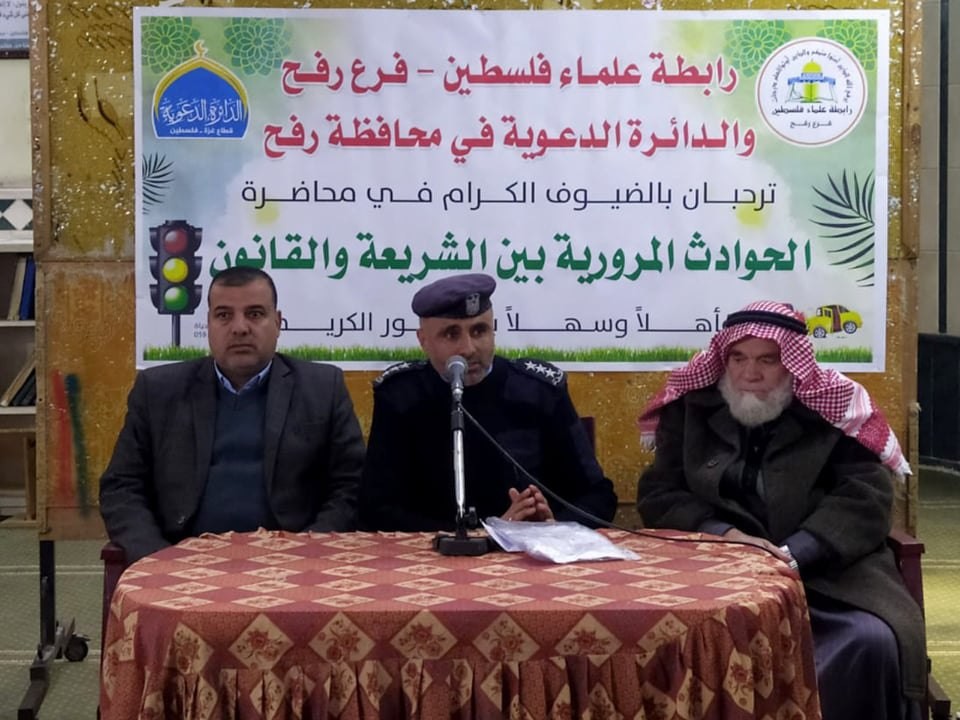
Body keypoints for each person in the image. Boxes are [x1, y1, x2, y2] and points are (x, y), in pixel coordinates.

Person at [635, 300, 924, 720]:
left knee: (870, 641)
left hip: (824, 578)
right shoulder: (692, 408)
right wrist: (723, 535)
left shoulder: (833, 410)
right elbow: (659, 492)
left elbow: (866, 496)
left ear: (792, 363)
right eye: (738, 358)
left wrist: (795, 554)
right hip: (709, 575)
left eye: (767, 360)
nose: (749, 374)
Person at [100, 266, 365, 562]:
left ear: (278, 323)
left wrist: (307, 551)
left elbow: (351, 486)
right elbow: (121, 487)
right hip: (182, 562)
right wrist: (159, 559)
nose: (240, 328)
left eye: (255, 314)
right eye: (224, 315)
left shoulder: (322, 387)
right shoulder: (159, 391)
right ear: (208, 324)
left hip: (295, 564)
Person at [360, 273, 617, 531]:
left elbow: (599, 496)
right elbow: (375, 509)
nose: (469, 348)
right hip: (434, 552)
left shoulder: (539, 391)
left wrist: (553, 526)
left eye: (479, 331)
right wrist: (488, 533)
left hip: (529, 549)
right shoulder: (401, 396)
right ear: (423, 340)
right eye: (451, 334)